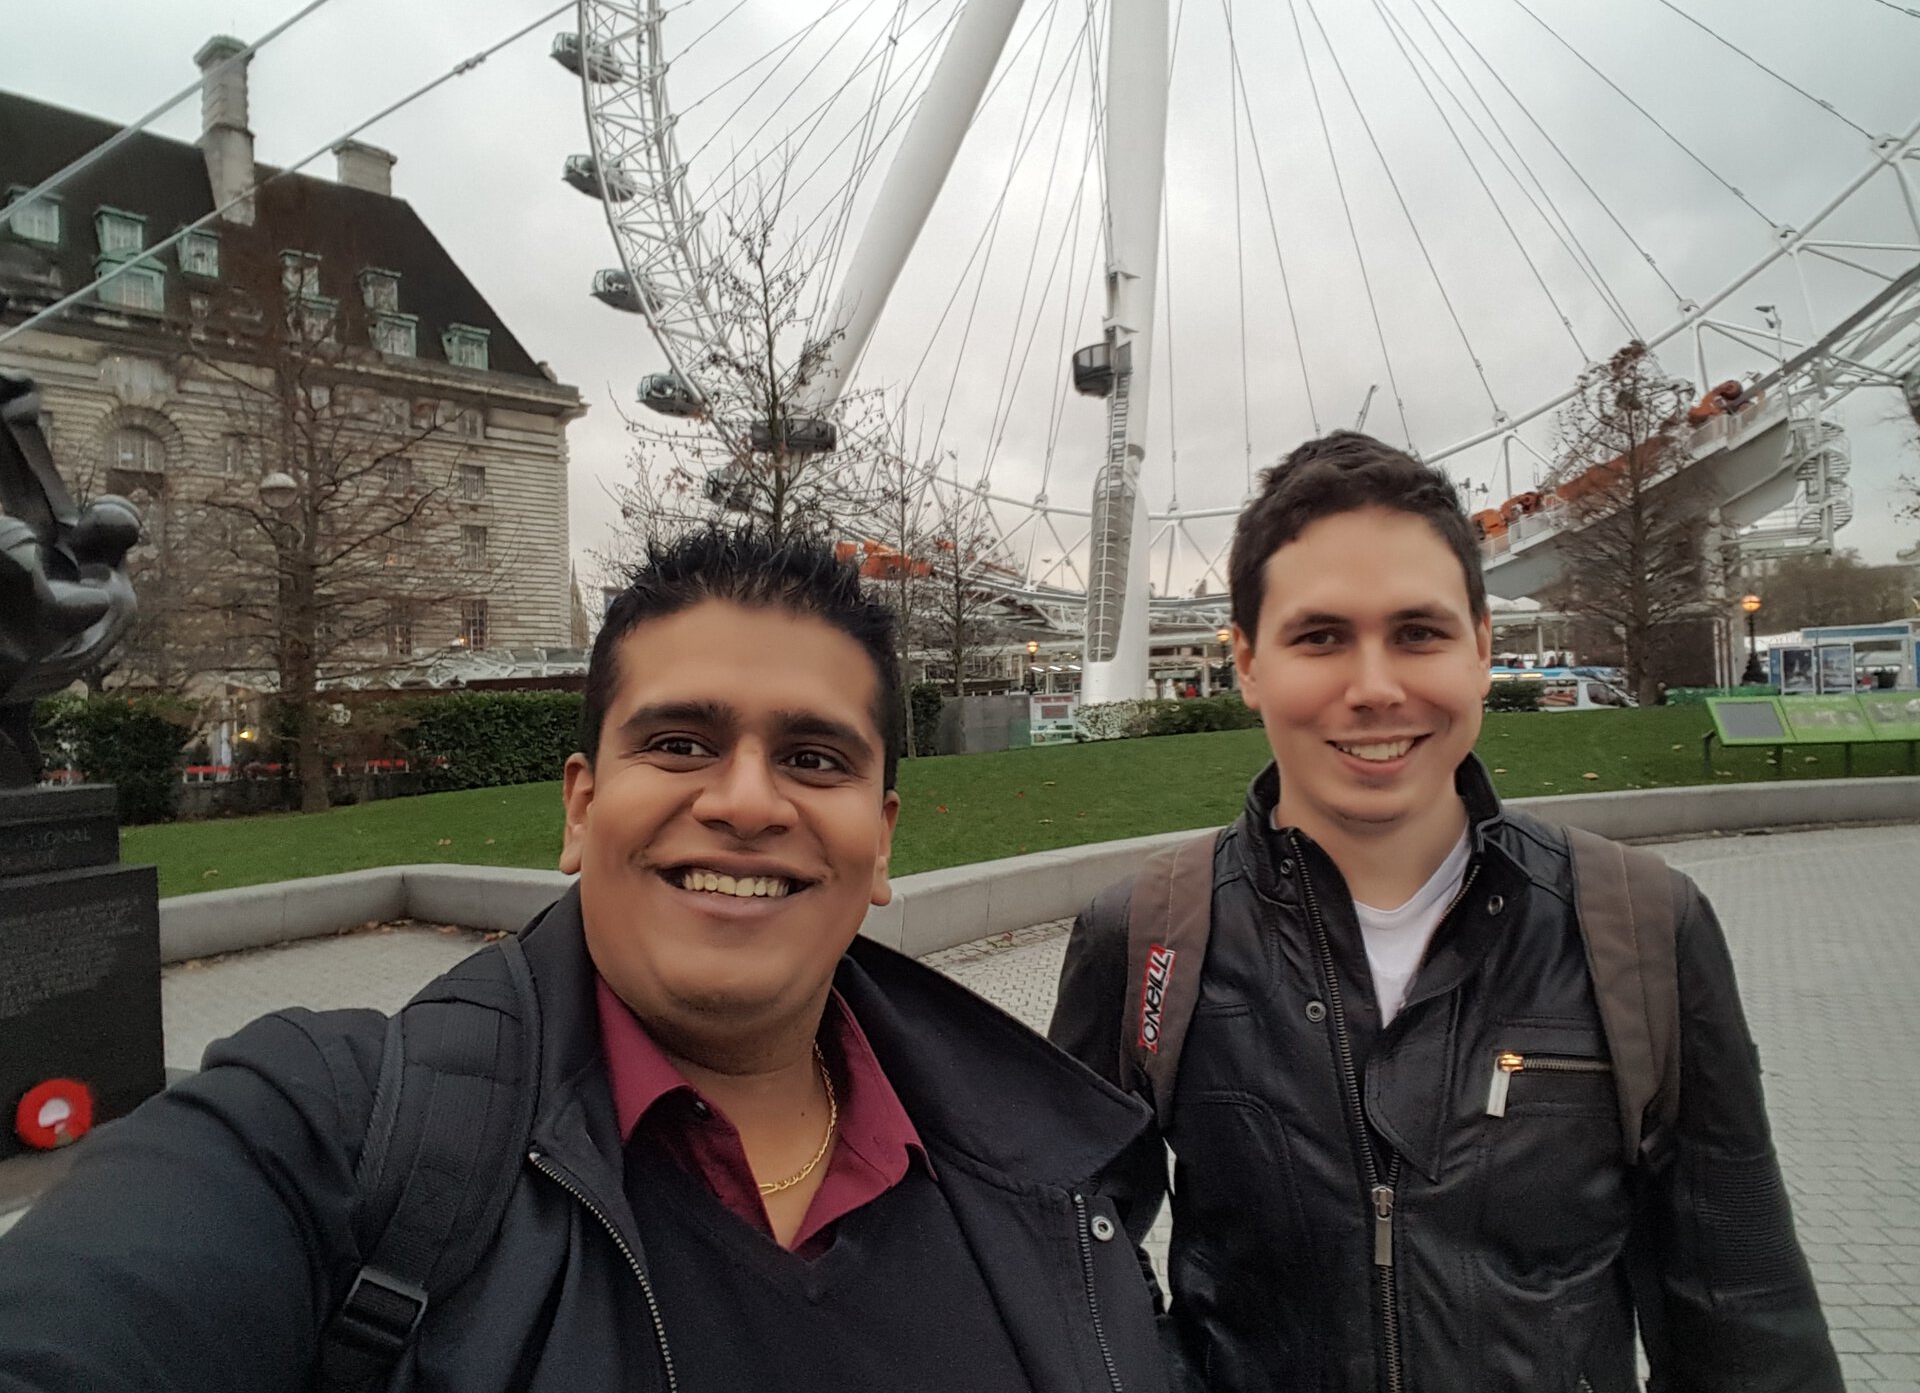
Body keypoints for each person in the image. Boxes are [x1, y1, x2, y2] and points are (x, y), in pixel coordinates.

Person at [0, 527, 1168, 1393]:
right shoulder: (331, 1140)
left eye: (815, 760)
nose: (747, 802)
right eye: (681, 742)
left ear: (883, 843)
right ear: (579, 806)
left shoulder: (1055, 1176)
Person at [1049, 432, 1840, 1393]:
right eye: (1320, 637)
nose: (1375, 688)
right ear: (1248, 663)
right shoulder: (1146, 938)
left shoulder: (1640, 929)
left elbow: (1742, 1305)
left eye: (1418, 633)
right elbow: (1063, 1247)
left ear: (1481, 649)